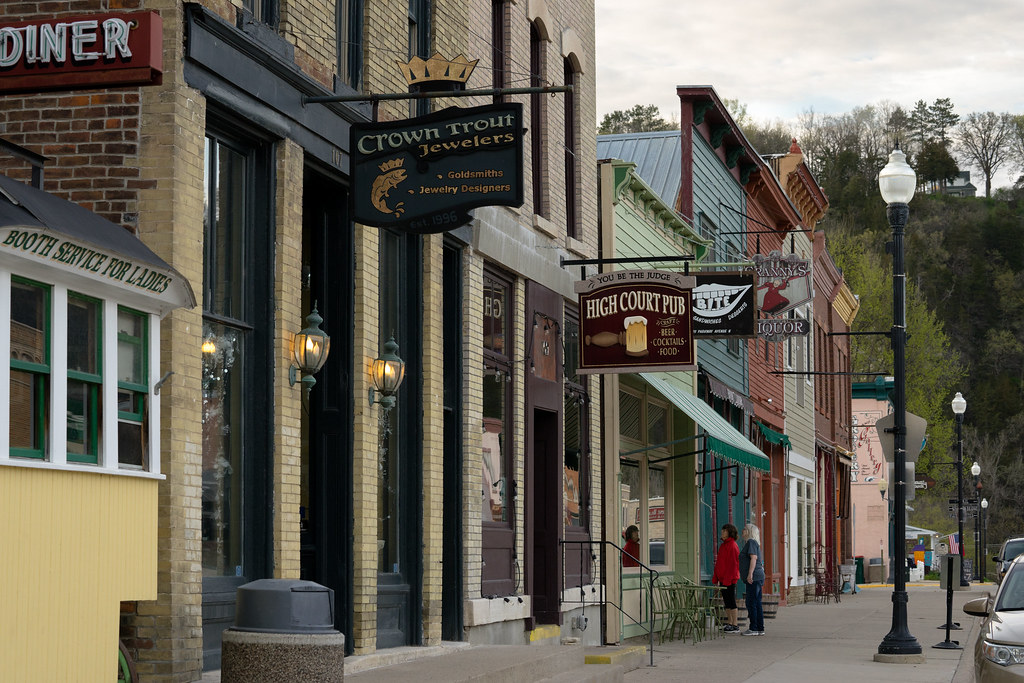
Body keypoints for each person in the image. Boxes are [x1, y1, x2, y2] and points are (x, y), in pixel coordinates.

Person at [712, 523, 741, 633]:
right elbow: (719, 563)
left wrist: (728, 579)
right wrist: (717, 578)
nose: (722, 532)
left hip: (730, 579)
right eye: (722, 530)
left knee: (731, 601)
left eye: (724, 531)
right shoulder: (723, 545)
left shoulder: (733, 546)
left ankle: (735, 624)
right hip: (723, 579)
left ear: (730, 532)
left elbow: (733, 565)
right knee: (726, 602)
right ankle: (729, 622)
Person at [739, 522, 766, 636]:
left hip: (754, 577)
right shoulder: (753, 543)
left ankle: (754, 628)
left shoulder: (751, 542)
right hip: (757, 576)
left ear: (749, 532)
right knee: (756, 602)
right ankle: (760, 628)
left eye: (744, 529)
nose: (742, 531)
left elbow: (753, 558)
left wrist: (750, 574)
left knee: (751, 602)